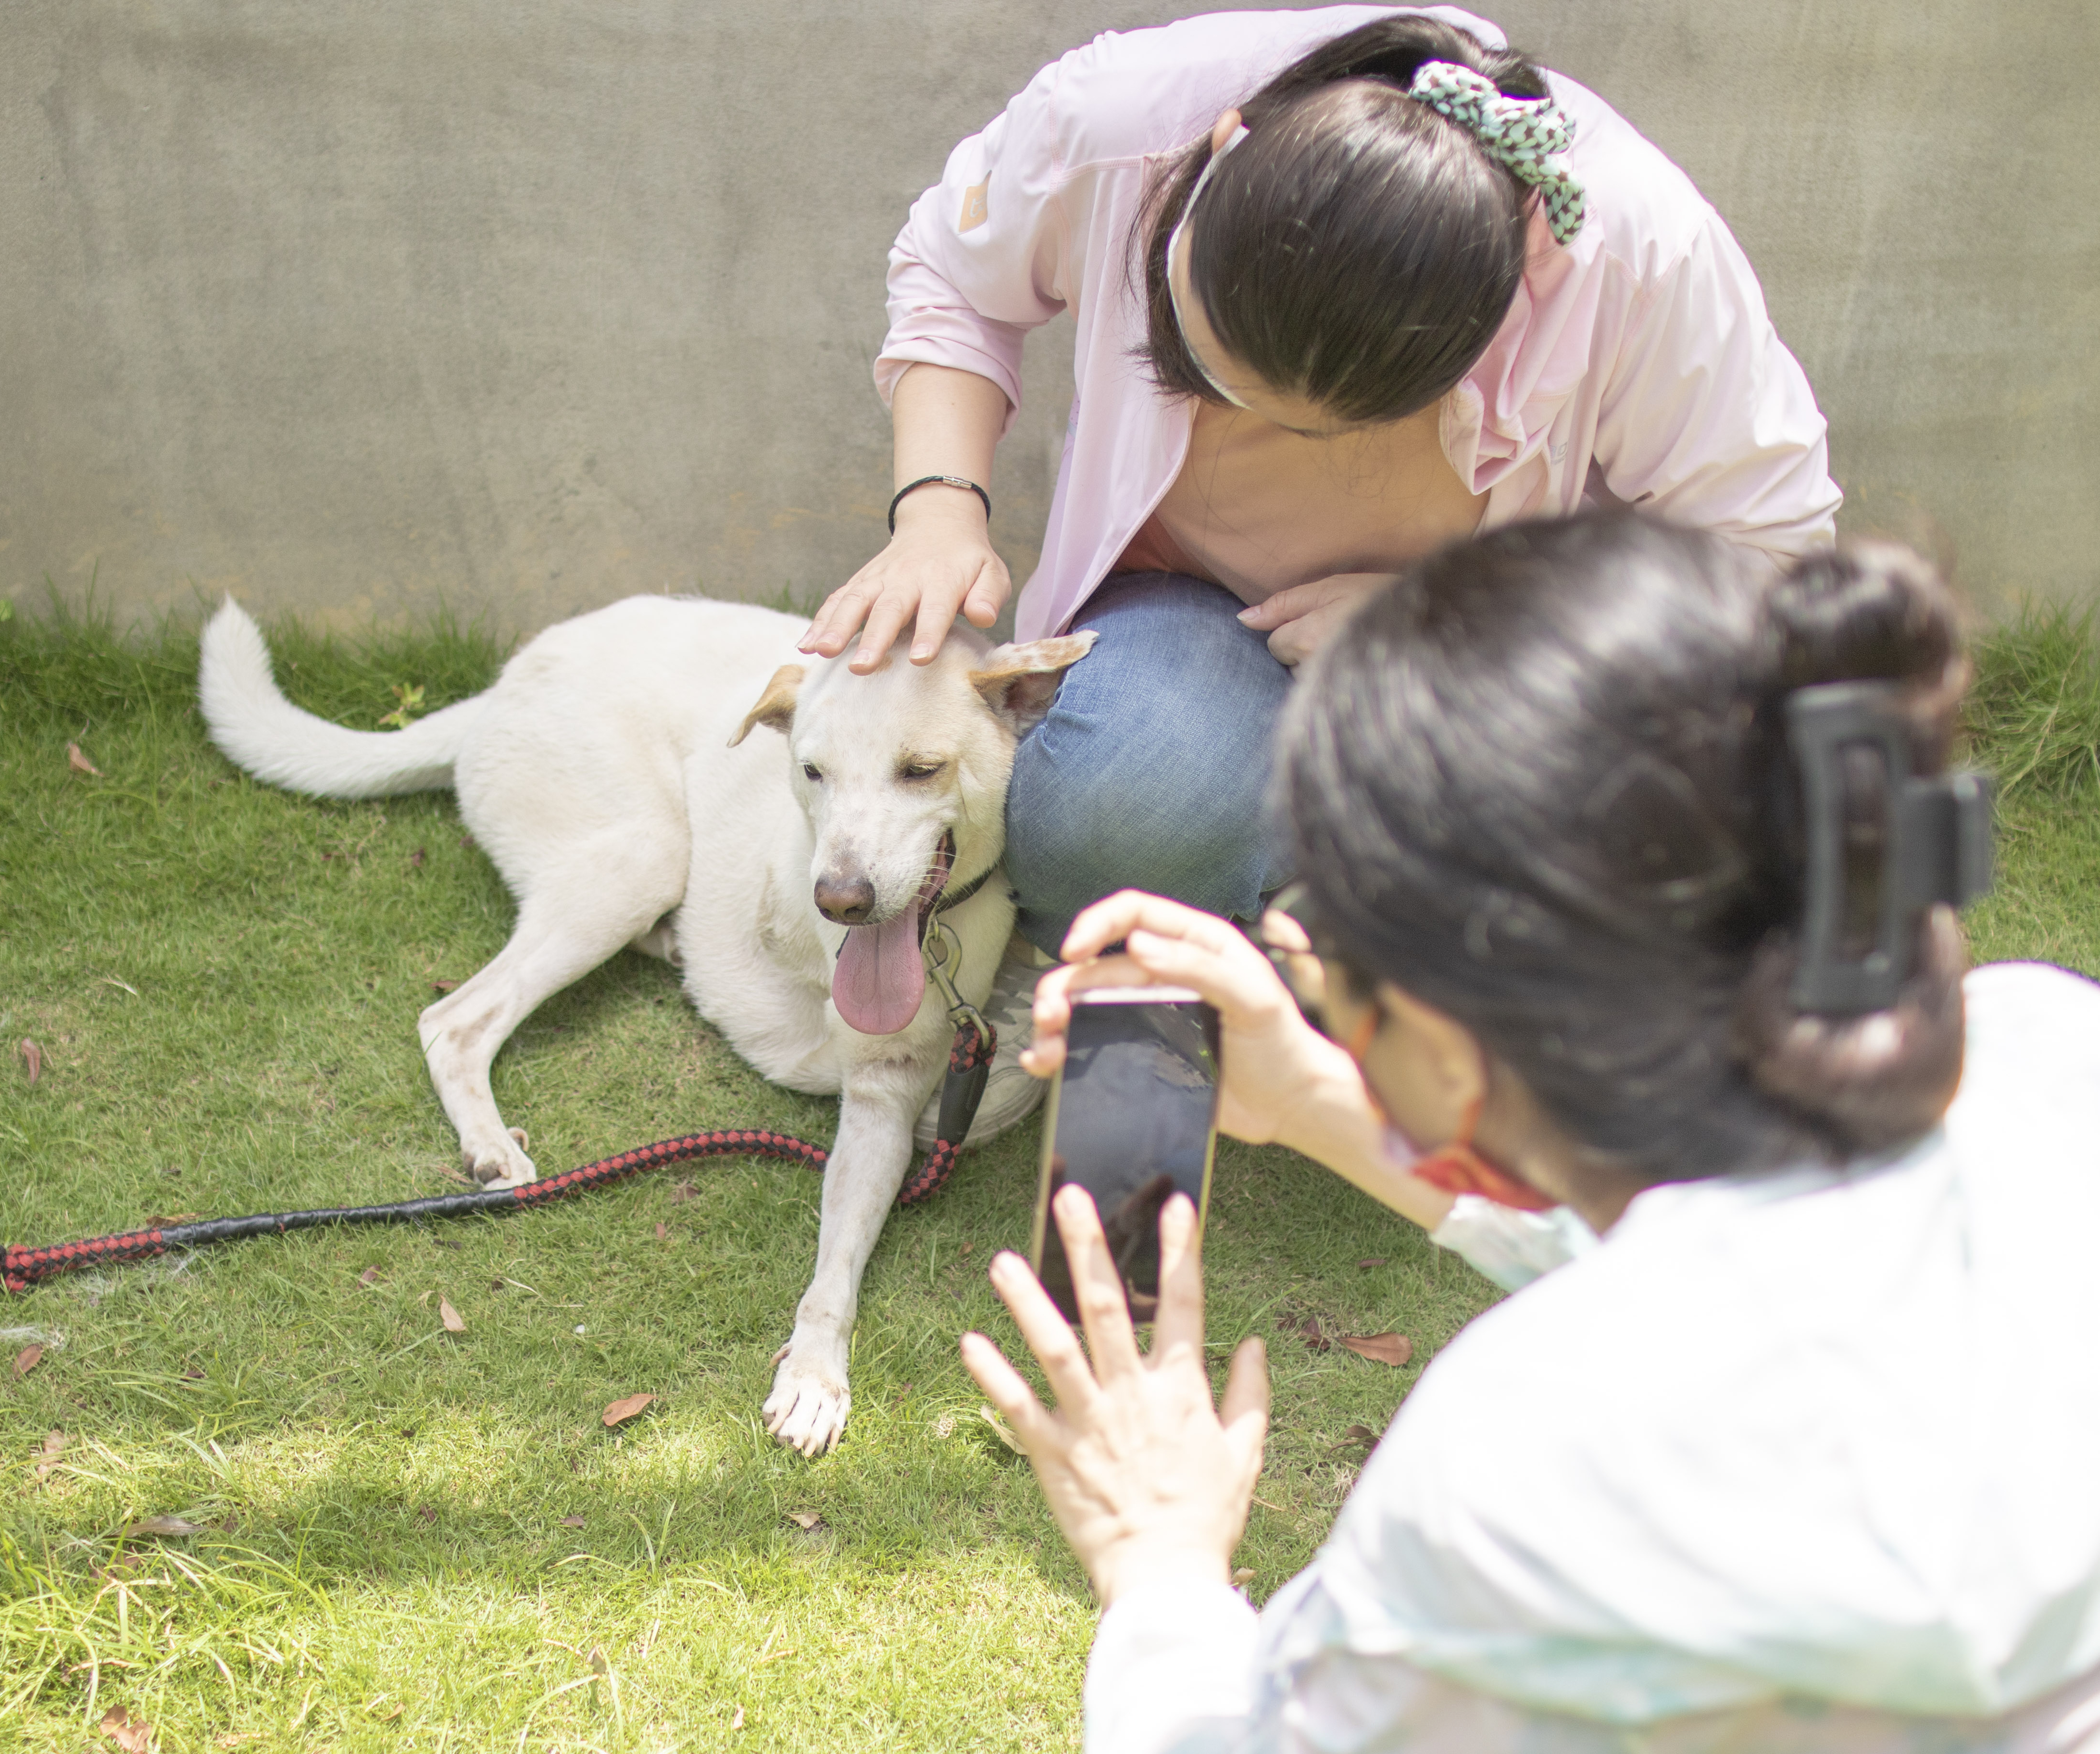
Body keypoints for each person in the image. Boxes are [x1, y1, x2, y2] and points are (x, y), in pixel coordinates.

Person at [962, 513, 2100, 1752]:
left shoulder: (1523, 1472)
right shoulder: (2047, 1054)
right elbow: (1740, 1263)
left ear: (1448, 1058)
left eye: (1318, 952)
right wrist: (1314, 1101)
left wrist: (1162, 1559)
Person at [800, 7, 1842, 1142]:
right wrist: (940, 507)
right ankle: (1246, 913)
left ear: (1492, 314)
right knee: (1125, 803)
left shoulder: (1636, 253)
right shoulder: (1118, 122)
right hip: (1194, 621)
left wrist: (1462, 627)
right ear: (1224, 151)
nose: (1244, 424)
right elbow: (955, 273)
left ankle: (1327, 919)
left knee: (1550, 1036)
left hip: (1495, 674)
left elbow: (1768, 552)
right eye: (1205, 369)